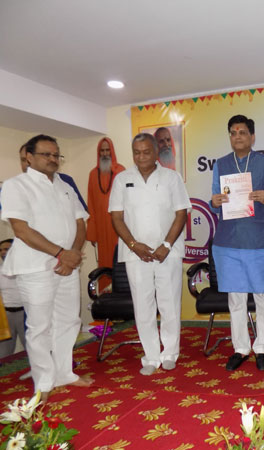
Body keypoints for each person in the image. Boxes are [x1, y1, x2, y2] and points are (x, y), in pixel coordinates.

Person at [1, 134, 93, 401]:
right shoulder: (16, 185)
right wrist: (62, 254)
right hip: (35, 268)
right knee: (40, 327)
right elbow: (21, 229)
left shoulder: (64, 185)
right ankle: (43, 382)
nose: (53, 159)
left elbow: (80, 222)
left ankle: (64, 373)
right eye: (46, 154)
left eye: (56, 155)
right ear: (29, 157)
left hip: (68, 266)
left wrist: (72, 255)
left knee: (68, 320)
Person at [210, 115, 264, 372]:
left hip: (260, 242)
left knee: (262, 297)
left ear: (252, 137)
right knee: (236, 299)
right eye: (233, 133)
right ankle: (241, 348)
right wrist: (214, 202)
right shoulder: (221, 164)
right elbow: (214, 201)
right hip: (229, 242)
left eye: (242, 132)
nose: (238, 137)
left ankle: (262, 348)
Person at [109, 133, 190, 375]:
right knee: (143, 306)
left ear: (156, 152)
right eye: (137, 152)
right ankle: (151, 357)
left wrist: (167, 244)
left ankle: (170, 353)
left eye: (146, 152)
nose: (141, 156)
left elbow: (181, 213)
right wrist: (133, 245)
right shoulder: (122, 179)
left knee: (169, 304)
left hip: (168, 252)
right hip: (136, 254)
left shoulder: (172, 177)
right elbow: (116, 217)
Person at [86, 137, 125, 269]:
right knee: (104, 261)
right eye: (102, 151)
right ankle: (105, 284)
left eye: (107, 150)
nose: (105, 154)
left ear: (112, 151)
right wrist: (92, 232)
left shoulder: (120, 171)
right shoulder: (93, 174)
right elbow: (91, 203)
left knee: (119, 260)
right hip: (101, 227)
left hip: (118, 225)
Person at [19, 144, 88, 211]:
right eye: (24, 160)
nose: (27, 163)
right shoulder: (19, 186)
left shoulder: (65, 180)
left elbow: (82, 210)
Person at [0, 239, 26, 359]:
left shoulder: (27, 269)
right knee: (4, 354)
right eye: (1, 250)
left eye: (6, 249)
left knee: (32, 349)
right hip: (6, 316)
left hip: (25, 314)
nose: (3, 252)